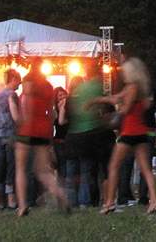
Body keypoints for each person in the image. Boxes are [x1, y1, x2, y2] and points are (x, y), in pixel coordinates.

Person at [96, 58, 156, 214]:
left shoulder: (132, 87)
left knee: (114, 166)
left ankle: (110, 202)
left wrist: (113, 114)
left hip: (129, 132)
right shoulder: (142, 90)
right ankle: (154, 200)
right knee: (145, 169)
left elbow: (125, 108)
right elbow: (116, 98)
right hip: (141, 132)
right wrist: (96, 100)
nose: (122, 73)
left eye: (124, 71)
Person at [14, 60, 69, 216]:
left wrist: (22, 121)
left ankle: (23, 205)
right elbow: (52, 113)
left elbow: (25, 103)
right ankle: (62, 196)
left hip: (27, 129)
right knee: (43, 171)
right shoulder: (48, 86)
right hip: (43, 131)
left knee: (21, 169)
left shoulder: (28, 81)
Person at [64, 69, 113, 209]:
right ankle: (86, 201)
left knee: (71, 175)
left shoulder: (68, 101)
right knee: (88, 172)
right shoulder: (90, 98)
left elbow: (62, 120)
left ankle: (72, 202)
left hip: (71, 140)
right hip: (88, 139)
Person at [0, 68, 20, 211]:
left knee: (0, 165)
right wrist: (21, 122)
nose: (20, 84)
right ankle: (11, 201)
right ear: (13, 78)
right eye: (19, 80)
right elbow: (15, 115)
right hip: (11, 134)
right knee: (11, 166)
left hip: (0, 135)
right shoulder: (12, 95)